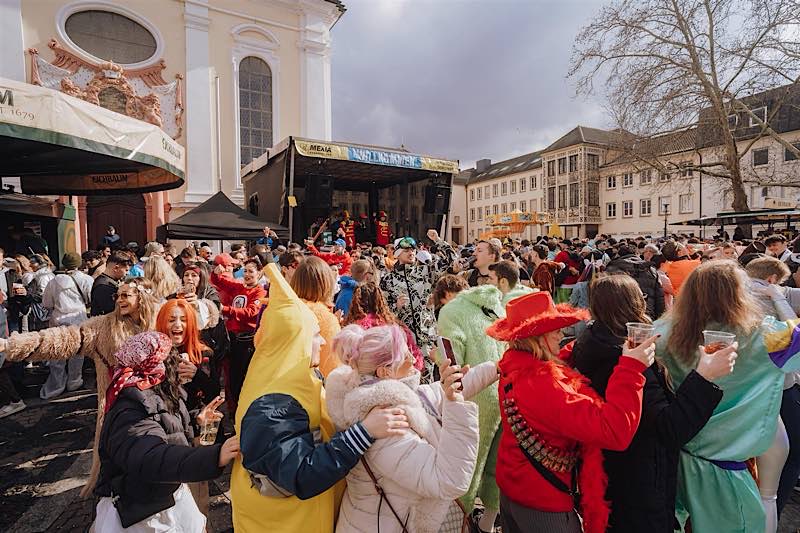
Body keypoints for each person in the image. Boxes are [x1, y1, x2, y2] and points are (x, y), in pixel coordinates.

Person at [231, 264, 410, 533]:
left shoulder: (296, 378)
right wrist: (364, 432)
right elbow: (301, 474)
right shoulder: (274, 403)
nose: (323, 343)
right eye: (315, 336)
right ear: (295, 341)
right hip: (284, 525)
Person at [571, 275, 730, 532]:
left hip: (609, 468)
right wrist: (705, 376)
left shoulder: (590, 341)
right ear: (636, 304)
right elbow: (669, 428)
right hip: (640, 478)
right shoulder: (629, 359)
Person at [489, 291, 655, 533]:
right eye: (553, 329)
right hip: (543, 506)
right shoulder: (544, 384)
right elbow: (615, 431)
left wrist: (578, 347)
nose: (561, 333)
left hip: (514, 488)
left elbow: (555, 366)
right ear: (536, 337)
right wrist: (631, 369)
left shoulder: (515, 362)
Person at [655, 260, 800, 532]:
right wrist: (778, 298)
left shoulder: (668, 332)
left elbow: (633, 342)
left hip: (681, 461)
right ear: (738, 292)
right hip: (728, 472)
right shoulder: (765, 335)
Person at [0, 279, 160, 496]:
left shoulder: (160, 322)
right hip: (117, 408)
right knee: (118, 465)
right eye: (118, 295)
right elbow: (65, 338)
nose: (119, 300)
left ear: (142, 298)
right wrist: (12, 345)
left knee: (155, 461)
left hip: (156, 406)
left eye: (126, 295)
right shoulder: (103, 327)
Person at [325, 324, 491, 532]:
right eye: (405, 356)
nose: (413, 359)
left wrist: (496, 368)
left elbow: (435, 394)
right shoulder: (387, 425)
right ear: (385, 371)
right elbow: (449, 480)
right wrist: (455, 404)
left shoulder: (390, 398)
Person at [93, 331, 239, 532]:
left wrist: (199, 424)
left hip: (167, 497)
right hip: (143, 515)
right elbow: (150, 456)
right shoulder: (130, 409)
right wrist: (215, 456)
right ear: (156, 365)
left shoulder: (160, 394)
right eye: (172, 359)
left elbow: (170, 437)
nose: (179, 364)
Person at [436, 282, 507, 532]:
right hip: (502, 391)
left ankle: (461, 525)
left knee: (465, 467)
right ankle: (487, 524)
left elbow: (449, 358)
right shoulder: (499, 308)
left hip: (471, 395)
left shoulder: (452, 312)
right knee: (495, 465)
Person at [379, 231, 457, 380]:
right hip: (404, 341)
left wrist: (438, 240)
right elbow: (383, 311)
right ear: (397, 254)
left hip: (426, 338)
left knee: (428, 382)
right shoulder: (388, 280)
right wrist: (396, 306)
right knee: (406, 381)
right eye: (407, 250)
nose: (412, 252)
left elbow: (451, 260)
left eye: (413, 249)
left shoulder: (425, 272)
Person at [211, 258, 266, 415]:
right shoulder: (239, 287)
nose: (247, 274)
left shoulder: (260, 292)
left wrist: (225, 309)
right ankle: (232, 409)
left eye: (251, 271)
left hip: (246, 340)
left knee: (242, 377)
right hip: (231, 338)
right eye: (245, 271)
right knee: (230, 377)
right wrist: (215, 273)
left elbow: (251, 313)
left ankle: (243, 410)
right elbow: (219, 282)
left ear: (260, 274)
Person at [38, 252, 93, 400]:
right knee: (78, 353)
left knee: (58, 354)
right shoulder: (87, 279)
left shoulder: (54, 281)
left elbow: (47, 303)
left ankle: (57, 385)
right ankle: (75, 381)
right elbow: (90, 299)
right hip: (78, 320)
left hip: (58, 320)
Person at [345, 282, 424, 371]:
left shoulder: (353, 329)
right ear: (381, 300)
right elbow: (415, 359)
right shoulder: (395, 327)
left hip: (362, 376)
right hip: (394, 376)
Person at [289, 256, 342, 378]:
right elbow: (332, 365)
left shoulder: (280, 309)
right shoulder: (325, 318)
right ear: (326, 284)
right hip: (308, 389)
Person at [606, 244, 666, 319]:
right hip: (646, 314)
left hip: (619, 315)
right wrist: (659, 318)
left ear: (619, 254)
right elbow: (659, 297)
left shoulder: (612, 269)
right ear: (636, 254)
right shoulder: (650, 269)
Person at [91, 251, 133, 317]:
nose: (127, 273)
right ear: (116, 268)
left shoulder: (107, 282)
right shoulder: (104, 287)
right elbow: (112, 311)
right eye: (126, 270)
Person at [26, 254, 55, 332]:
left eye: (32, 262)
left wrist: (28, 294)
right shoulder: (43, 275)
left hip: (43, 310)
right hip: (44, 310)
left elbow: (43, 295)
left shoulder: (43, 277)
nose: (30, 265)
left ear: (39, 263)